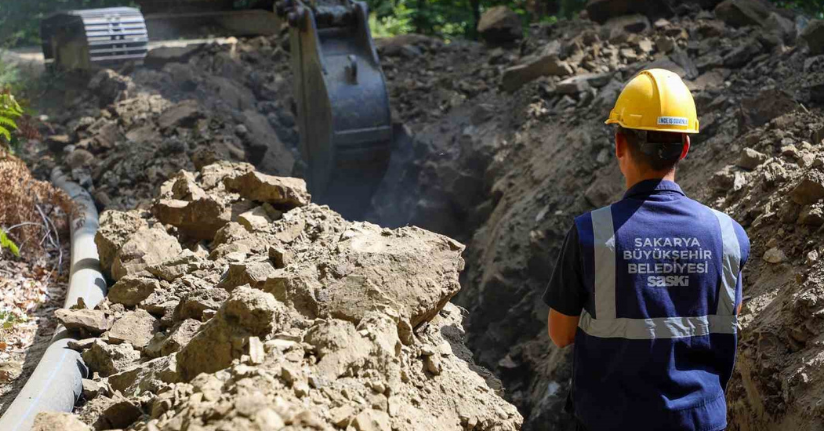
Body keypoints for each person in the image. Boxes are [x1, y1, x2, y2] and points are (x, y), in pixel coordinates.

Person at [542, 68, 750, 431]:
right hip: (700, 420)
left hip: (611, 420)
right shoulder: (728, 234)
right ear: (684, 147)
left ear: (620, 144)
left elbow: (561, 335)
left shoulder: (592, 232)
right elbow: (728, 316)